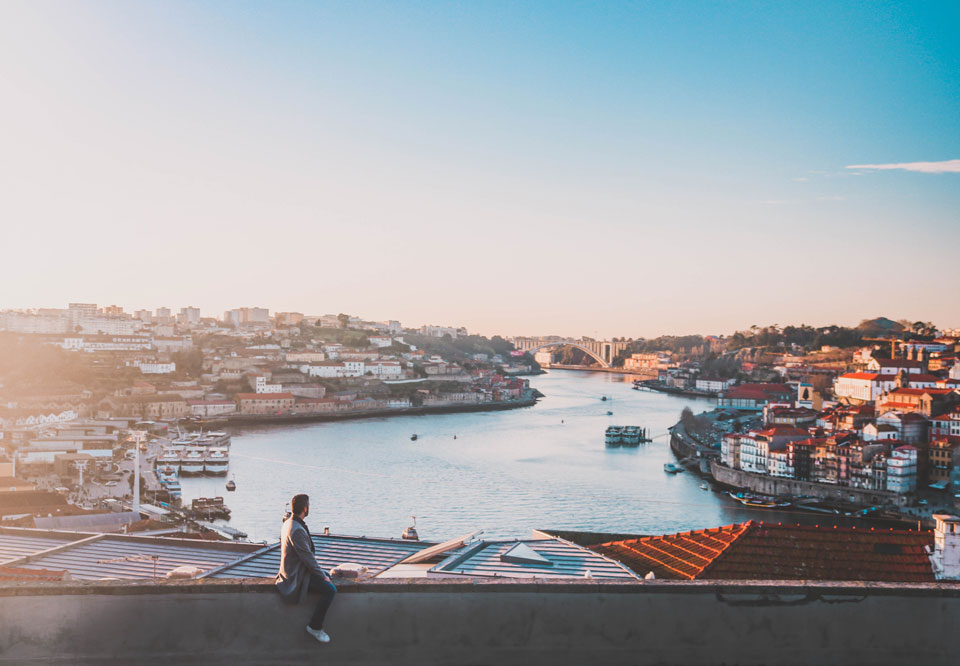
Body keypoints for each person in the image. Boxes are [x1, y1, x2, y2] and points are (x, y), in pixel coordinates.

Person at [276, 493, 337, 644]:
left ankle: (315, 626)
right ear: (305, 508)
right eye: (308, 506)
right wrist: (322, 576)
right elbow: (308, 558)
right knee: (330, 589)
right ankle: (315, 626)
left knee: (328, 574)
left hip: (295, 570)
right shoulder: (296, 530)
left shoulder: (288, 523)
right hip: (296, 575)